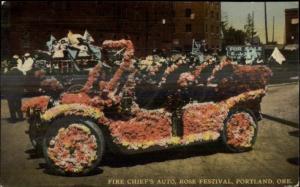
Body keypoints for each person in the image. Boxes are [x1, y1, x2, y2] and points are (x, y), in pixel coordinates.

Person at [3, 57, 25, 122]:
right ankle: (20, 117)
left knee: (11, 105)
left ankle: (13, 118)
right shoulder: (20, 72)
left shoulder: (7, 73)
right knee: (18, 104)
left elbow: (4, 83)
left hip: (10, 91)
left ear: (11, 65)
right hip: (18, 91)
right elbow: (23, 82)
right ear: (16, 65)